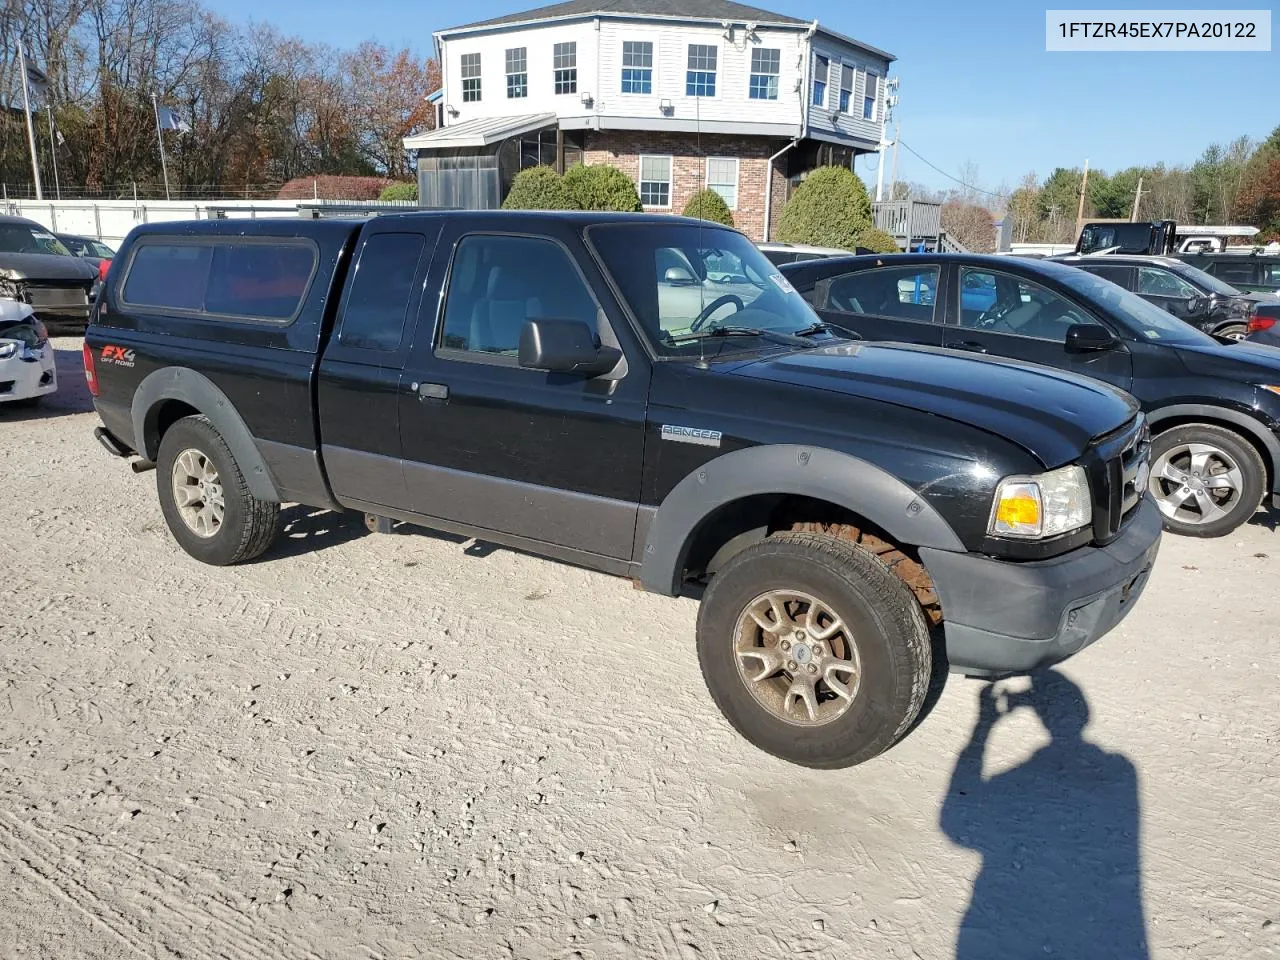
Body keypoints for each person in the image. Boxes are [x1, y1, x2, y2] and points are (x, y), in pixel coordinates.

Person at [940, 670, 1149, 959]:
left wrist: (983, 726)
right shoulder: (1122, 770)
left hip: (1007, 918)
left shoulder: (1024, 778)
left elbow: (954, 821)